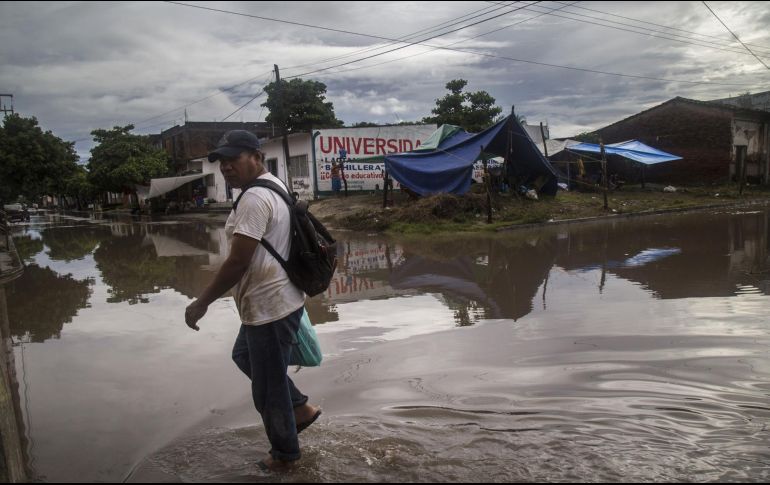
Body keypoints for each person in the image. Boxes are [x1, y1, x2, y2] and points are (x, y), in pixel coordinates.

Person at [185, 130, 322, 472]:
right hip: (277, 300)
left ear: (257, 157)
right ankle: (300, 409)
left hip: (269, 306)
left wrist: (202, 301)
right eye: (222, 162)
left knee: (267, 391)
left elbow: (238, 261)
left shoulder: (254, 198)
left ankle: (285, 458)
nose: (227, 168)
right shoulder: (272, 185)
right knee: (243, 355)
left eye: (234, 159)